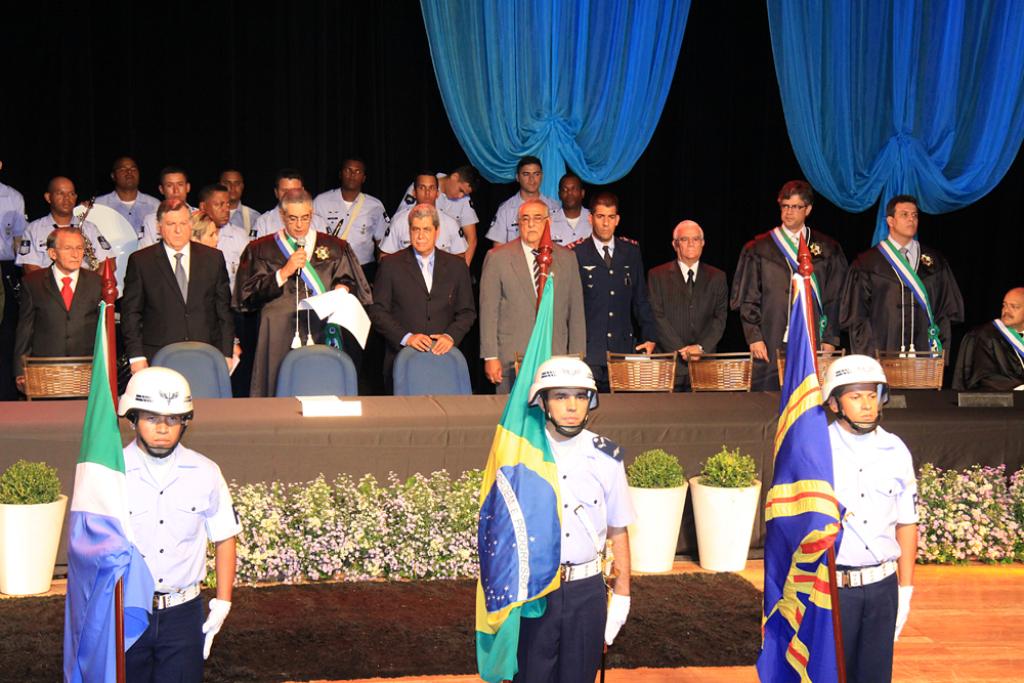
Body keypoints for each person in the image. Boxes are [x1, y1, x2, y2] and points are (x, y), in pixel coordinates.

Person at [515, 356, 634, 682]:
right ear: (543, 402)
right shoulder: (521, 455)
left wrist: (622, 594)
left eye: (580, 396)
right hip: (535, 589)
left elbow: (618, 529)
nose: (572, 406)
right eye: (560, 396)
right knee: (530, 676)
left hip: (586, 592)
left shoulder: (607, 456)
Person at [118, 367, 241, 682]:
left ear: (185, 421)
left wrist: (223, 601)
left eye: (173, 419)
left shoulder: (206, 472)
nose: (163, 428)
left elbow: (225, 535)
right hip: (127, 612)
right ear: (132, 418)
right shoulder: (112, 474)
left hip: (183, 614)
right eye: (151, 418)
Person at [821, 355, 917, 683]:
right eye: (855, 396)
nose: (867, 405)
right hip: (832, 591)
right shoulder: (818, 450)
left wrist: (905, 590)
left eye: (872, 395)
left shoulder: (896, 450)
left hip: (882, 591)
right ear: (834, 403)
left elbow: (907, 523)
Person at [235, 189, 373, 397]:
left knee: (321, 388)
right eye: (292, 218)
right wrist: (283, 273)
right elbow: (246, 297)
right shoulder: (261, 250)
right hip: (278, 333)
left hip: (322, 328)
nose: (299, 225)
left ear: (312, 213)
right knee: (278, 391)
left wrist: (344, 288)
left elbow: (355, 284)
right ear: (282, 216)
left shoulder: (335, 247)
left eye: (305, 217)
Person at [731, 180, 848, 390]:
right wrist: (754, 337)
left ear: (808, 209)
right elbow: (748, 296)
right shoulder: (760, 247)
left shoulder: (827, 249)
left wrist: (830, 338)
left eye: (796, 207)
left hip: (813, 337)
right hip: (771, 338)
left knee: (811, 397)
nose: (789, 212)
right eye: (785, 206)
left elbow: (835, 298)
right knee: (770, 398)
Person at [479, 199, 585, 393]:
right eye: (525, 219)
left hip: (556, 358)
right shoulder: (497, 258)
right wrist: (490, 356)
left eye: (537, 218)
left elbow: (576, 312)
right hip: (511, 359)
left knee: (552, 418)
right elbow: (488, 312)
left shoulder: (567, 259)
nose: (531, 224)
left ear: (548, 222)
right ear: (518, 223)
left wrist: (577, 358)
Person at [841, 195, 964, 357]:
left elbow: (945, 311)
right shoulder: (867, 263)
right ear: (890, 221)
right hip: (882, 352)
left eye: (915, 215)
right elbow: (857, 316)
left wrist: (940, 350)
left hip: (924, 354)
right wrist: (868, 357)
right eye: (904, 215)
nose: (911, 219)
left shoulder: (934, 262)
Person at [121, 199, 235, 372]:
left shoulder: (213, 258)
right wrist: (136, 356)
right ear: (159, 227)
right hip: (158, 356)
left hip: (205, 353)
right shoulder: (141, 261)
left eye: (183, 223)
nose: (178, 230)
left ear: (190, 225)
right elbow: (131, 314)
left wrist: (227, 353)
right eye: (171, 224)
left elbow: (223, 310)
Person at [369, 204, 476, 385]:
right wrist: (407, 338)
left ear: (437, 231)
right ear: (409, 231)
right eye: (415, 229)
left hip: (444, 360)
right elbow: (378, 312)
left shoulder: (457, 267)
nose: (420, 236)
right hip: (401, 361)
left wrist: (450, 336)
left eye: (426, 229)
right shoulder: (390, 265)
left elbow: (467, 312)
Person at [569, 192, 657, 391]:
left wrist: (650, 337)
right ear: (590, 219)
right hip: (589, 350)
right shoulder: (577, 254)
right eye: (600, 217)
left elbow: (640, 299)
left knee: (621, 412)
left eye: (610, 217)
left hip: (622, 348)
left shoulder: (630, 251)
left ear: (617, 220)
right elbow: (570, 306)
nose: (606, 223)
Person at [13, 228, 102, 392]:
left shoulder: (96, 282)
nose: (76, 254)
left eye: (80, 248)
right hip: (45, 370)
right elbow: (25, 329)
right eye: (68, 248)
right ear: (53, 253)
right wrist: (21, 370)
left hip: (86, 370)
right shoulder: (33, 283)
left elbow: (103, 330)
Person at [647, 220, 728, 390]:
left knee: (704, 415)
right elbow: (657, 316)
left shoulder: (718, 277)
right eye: (684, 239)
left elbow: (720, 319)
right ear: (675, 244)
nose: (691, 243)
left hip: (704, 365)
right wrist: (681, 350)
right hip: (670, 363)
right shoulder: (657, 275)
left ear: (703, 243)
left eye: (696, 239)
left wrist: (700, 347)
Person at [312, 158, 390, 282]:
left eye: (357, 171)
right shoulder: (321, 202)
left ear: (364, 178)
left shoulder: (375, 205)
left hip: (364, 269)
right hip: (330, 268)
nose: (352, 175)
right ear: (340, 174)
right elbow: (310, 237)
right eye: (348, 170)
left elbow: (383, 242)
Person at [16, 176, 116, 273]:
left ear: (76, 197)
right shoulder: (34, 229)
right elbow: (29, 268)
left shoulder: (89, 228)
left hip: (85, 287)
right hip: (49, 288)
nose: (67, 198)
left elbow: (109, 263)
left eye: (71, 194)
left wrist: (90, 285)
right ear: (48, 197)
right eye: (60, 193)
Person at [394, 164, 480, 266]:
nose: (460, 196)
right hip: (413, 259)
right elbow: (399, 223)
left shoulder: (464, 200)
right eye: (460, 190)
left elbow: (472, 238)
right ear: (454, 177)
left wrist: (463, 271)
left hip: (445, 264)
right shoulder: (420, 187)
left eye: (465, 194)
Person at [380, 173, 467, 259]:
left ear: (437, 193)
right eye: (422, 188)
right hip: (407, 272)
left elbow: (460, 258)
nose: (427, 193)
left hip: (440, 272)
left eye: (432, 188)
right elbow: (384, 256)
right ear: (414, 192)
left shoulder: (451, 223)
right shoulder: (399, 221)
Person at [953, 287, 1024, 391]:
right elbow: (983, 377)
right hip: (1000, 403)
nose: (1006, 311)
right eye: (1004, 305)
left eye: (1014, 306)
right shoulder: (985, 336)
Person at [485, 156, 562, 245]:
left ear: (542, 176)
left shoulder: (556, 207)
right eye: (526, 174)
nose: (532, 179)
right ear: (517, 177)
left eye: (536, 174)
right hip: (515, 258)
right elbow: (498, 249)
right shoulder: (506, 209)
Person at [0, 160, 28, 400]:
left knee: (7, 330)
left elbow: (19, 239)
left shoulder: (13, 197)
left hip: (5, 268)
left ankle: (5, 393)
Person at [252, 168, 330, 240]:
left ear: (303, 191)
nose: (290, 195)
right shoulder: (263, 223)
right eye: (285, 191)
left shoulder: (318, 222)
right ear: (276, 192)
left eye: (295, 190)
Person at [95, 156, 161, 235]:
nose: (129, 172)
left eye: (133, 169)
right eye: (123, 169)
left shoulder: (154, 205)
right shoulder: (99, 205)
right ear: (113, 176)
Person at [138, 166, 193, 247]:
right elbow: (144, 253)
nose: (176, 190)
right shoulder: (151, 220)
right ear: (161, 189)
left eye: (180, 184)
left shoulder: (200, 217)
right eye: (169, 185)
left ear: (187, 187)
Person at [551, 172, 591, 246]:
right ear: (559, 194)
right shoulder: (548, 220)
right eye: (565, 190)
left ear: (582, 193)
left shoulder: (594, 219)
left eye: (574, 189)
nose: (569, 193)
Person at [219, 169, 259, 237]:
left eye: (237, 183)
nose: (232, 187)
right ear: (219, 185)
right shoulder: (208, 216)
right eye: (227, 183)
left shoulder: (254, 218)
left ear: (242, 186)